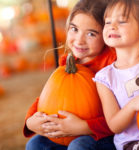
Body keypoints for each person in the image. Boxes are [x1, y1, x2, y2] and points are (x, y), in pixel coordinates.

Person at [24, 0, 117, 150]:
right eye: (74, 29)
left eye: (91, 33)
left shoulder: (112, 65)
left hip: (104, 135)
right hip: (68, 133)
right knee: (36, 144)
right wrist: (31, 121)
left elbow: (121, 117)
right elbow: (47, 97)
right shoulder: (68, 63)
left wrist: (83, 127)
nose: (79, 40)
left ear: (107, 34)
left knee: (78, 146)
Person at [93, 0, 139, 150]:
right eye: (108, 21)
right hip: (134, 142)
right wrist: (133, 105)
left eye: (122, 21)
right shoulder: (105, 78)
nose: (112, 25)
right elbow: (114, 125)